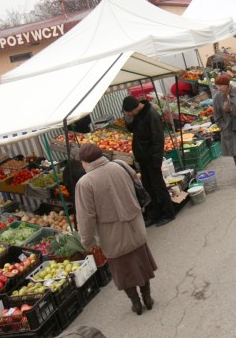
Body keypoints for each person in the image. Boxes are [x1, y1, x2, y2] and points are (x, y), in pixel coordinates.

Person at [75, 144, 158, 316]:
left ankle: (136, 303)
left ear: (85, 162)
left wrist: (88, 241)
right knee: (141, 262)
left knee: (124, 271)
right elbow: (138, 185)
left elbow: (86, 217)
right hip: (135, 225)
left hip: (112, 234)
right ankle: (147, 297)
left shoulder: (85, 183)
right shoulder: (120, 165)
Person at [122, 96, 175, 227]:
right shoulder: (138, 114)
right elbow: (132, 129)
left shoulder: (151, 114)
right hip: (143, 157)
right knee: (148, 188)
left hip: (152, 158)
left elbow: (158, 139)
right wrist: (129, 119)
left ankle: (169, 213)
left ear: (135, 107)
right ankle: (154, 215)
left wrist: (156, 160)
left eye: (129, 112)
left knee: (158, 186)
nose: (129, 115)